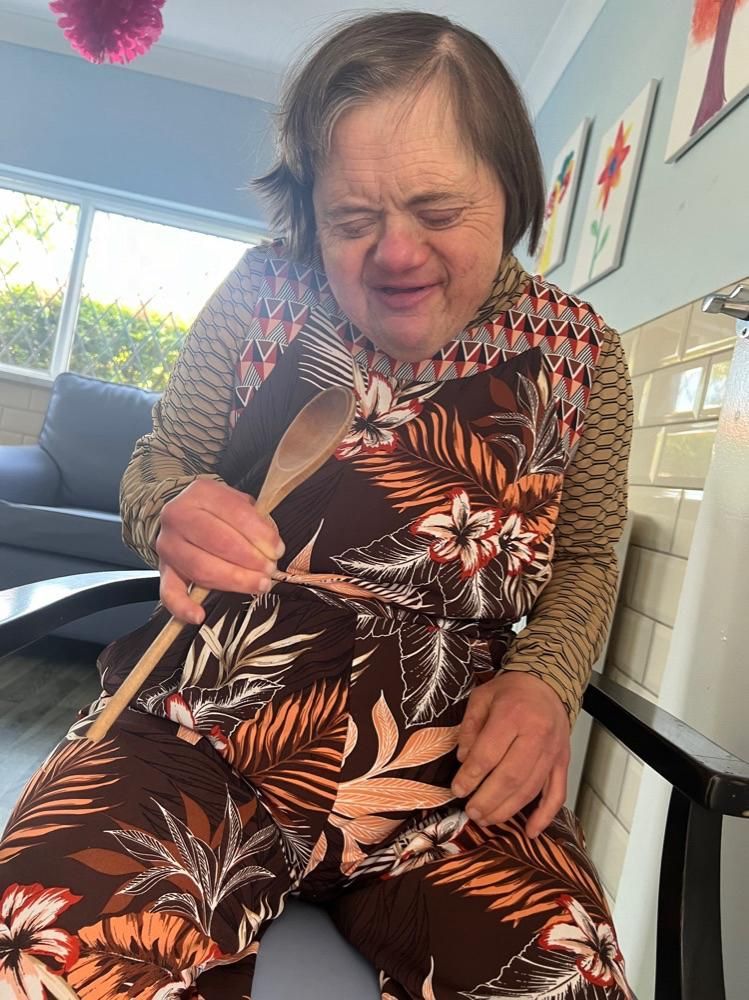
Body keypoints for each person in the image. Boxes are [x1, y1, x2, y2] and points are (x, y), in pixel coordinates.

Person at [0, 11, 634, 1000]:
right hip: (196, 733)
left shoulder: (579, 355)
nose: (394, 253)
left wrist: (545, 680)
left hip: (445, 782)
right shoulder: (260, 293)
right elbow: (160, 461)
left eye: (435, 208)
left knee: (560, 977)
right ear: (309, 203)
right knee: (47, 952)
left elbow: (587, 559)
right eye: (352, 218)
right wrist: (172, 505)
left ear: (509, 188)